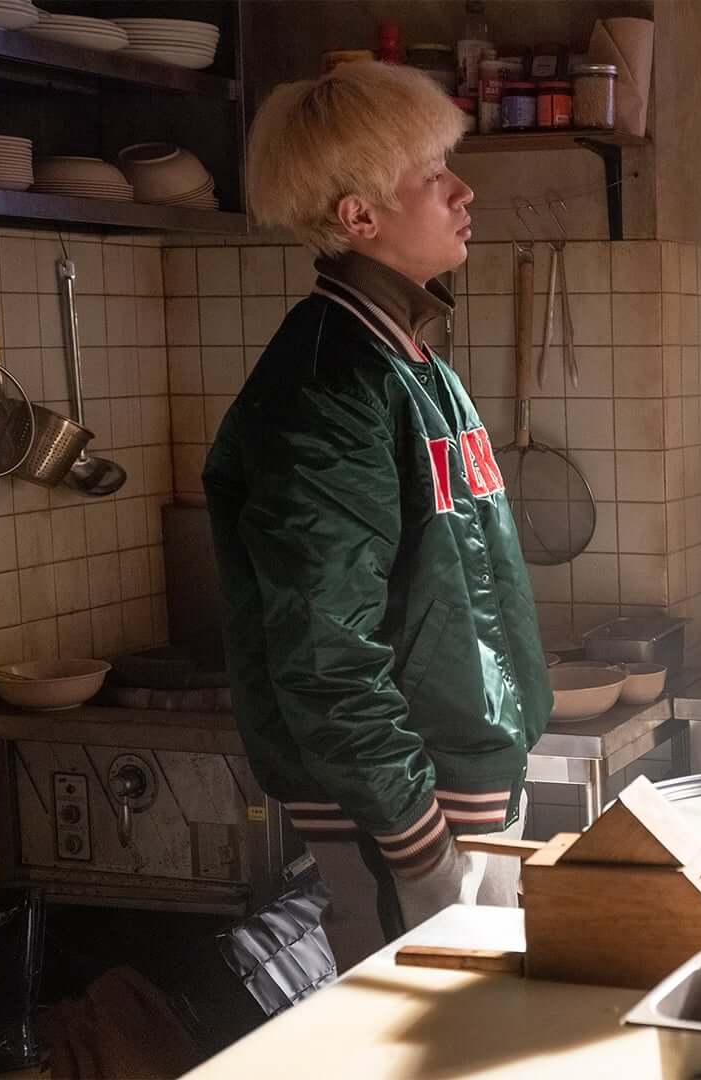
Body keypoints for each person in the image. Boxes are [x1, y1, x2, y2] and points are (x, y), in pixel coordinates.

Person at [204, 61, 551, 969]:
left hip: (451, 796)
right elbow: (325, 651)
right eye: (434, 174)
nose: (464, 191)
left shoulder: (409, 364)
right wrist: (420, 844)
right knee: (429, 1038)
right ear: (360, 217)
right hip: (410, 819)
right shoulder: (330, 389)